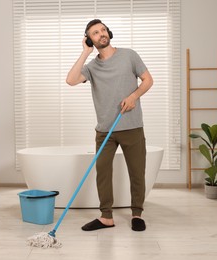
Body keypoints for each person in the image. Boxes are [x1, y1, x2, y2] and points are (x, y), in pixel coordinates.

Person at [66, 19, 153, 232]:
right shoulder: (92, 67)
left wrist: (134, 96)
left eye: (103, 30)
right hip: (105, 129)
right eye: (95, 33)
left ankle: (137, 214)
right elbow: (70, 80)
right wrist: (85, 53)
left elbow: (148, 80)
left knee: (136, 172)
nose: (101, 34)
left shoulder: (129, 55)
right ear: (89, 39)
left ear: (109, 32)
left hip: (132, 126)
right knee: (102, 173)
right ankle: (106, 217)